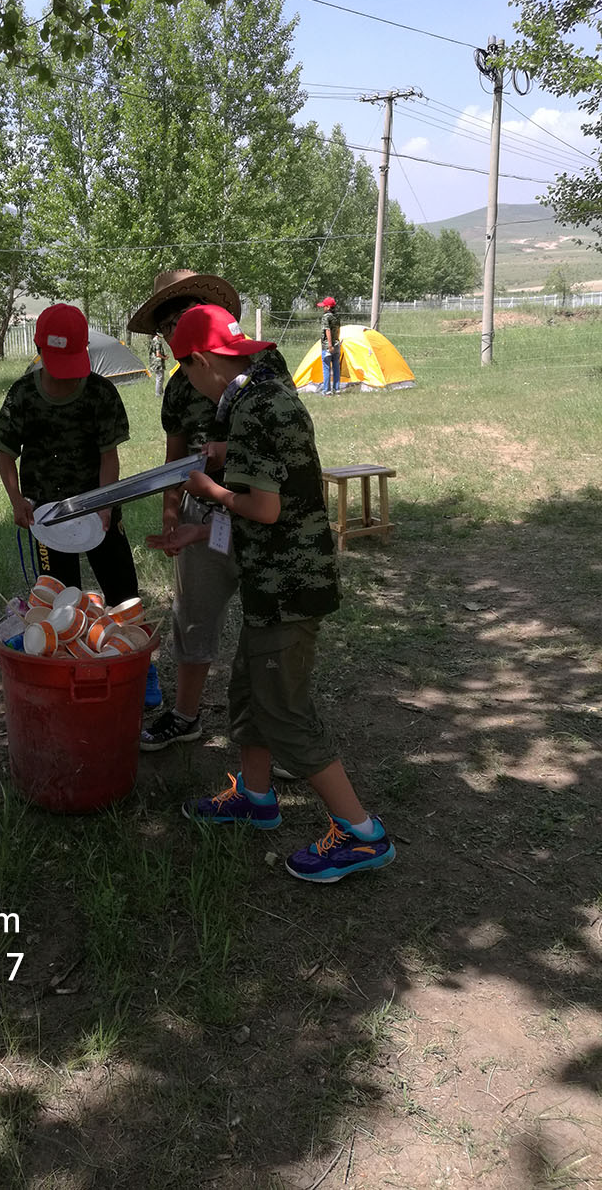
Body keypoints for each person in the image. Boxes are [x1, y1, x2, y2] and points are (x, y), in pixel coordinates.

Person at [150, 303, 395, 883]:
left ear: (204, 359)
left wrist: (206, 486)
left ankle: (362, 835)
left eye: (187, 370)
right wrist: (197, 525)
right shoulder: (258, 391)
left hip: (290, 584)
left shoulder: (254, 406)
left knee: (283, 709)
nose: (189, 383)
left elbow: (263, 506)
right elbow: (270, 490)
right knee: (247, 690)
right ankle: (256, 799)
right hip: (272, 577)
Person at [127, 269, 293, 752]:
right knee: (193, 615)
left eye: (180, 317)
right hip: (204, 511)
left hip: (263, 508)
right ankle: (186, 715)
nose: (173, 329)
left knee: (272, 629)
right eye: (165, 325)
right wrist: (171, 510)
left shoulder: (265, 365)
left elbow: (282, 431)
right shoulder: (181, 384)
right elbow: (175, 451)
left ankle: (280, 735)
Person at [0, 303, 138, 606]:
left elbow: (109, 456)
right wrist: (16, 500)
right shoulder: (22, 395)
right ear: (38, 348)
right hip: (47, 514)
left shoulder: (101, 393)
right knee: (60, 604)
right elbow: (5, 454)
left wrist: (106, 504)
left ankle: (127, 649)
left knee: (124, 596)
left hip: (99, 506)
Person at [318, 296, 342, 395]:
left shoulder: (326, 317)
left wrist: (330, 345)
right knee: (336, 368)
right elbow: (338, 329)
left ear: (328, 307)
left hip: (328, 346)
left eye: (324, 306)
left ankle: (327, 391)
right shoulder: (337, 316)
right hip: (337, 344)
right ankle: (337, 389)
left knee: (326, 368)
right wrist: (337, 340)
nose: (323, 308)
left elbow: (327, 330)